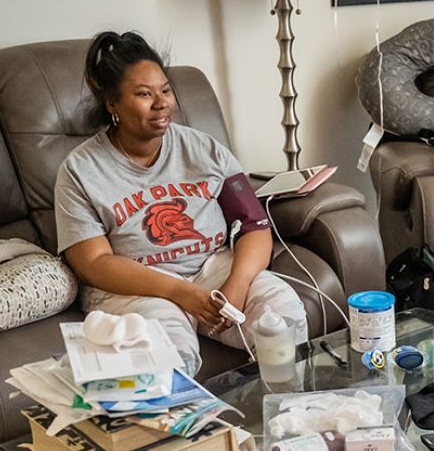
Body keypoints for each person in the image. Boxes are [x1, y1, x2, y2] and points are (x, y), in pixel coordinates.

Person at [55, 31, 308, 376]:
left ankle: (288, 413)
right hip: (138, 287)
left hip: (211, 267)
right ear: (112, 103)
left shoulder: (204, 149)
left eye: (166, 90)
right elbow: (94, 263)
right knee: (165, 353)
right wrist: (179, 292)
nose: (162, 103)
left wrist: (237, 284)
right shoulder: (81, 170)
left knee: (282, 314)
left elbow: (254, 224)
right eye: (144, 94)